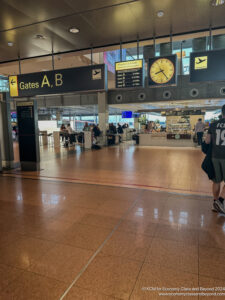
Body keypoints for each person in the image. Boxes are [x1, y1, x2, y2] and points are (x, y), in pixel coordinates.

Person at [205, 105, 225, 213]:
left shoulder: (213, 125)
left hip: (214, 156)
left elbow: (207, 141)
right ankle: (220, 201)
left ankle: (215, 203)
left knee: (216, 181)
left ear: (222, 113)